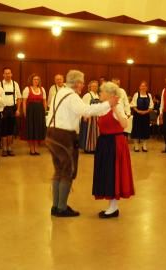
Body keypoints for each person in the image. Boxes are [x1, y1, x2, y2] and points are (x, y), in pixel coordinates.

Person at [46, 70, 118, 218]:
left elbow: (76, 111)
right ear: (77, 83)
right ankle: (61, 208)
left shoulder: (60, 92)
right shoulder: (72, 96)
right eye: (82, 82)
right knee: (68, 171)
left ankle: (56, 206)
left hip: (51, 134)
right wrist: (108, 104)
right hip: (64, 136)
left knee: (59, 170)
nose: (83, 85)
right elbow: (87, 109)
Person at [92, 82, 134, 219]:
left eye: (102, 92)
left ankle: (113, 207)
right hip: (105, 143)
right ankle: (112, 206)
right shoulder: (102, 107)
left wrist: (115, 109)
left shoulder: (118, 107)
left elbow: (125, 124)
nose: (99, 94)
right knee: (107, 174)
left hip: (115, 143)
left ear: (109, 94)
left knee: (113, 174)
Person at [22, 74, 47, 155]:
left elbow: (44, 101)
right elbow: (24, 102)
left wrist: (45, 111)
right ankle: (31, 149)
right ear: (31, 80)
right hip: (30, 111)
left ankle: (36, 148)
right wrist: (25, 112)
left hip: (40, 111)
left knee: (38, 129)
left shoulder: (42, 89)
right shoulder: (27, 89)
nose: (36, 81)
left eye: (37, 79)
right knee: (31, 129)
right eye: (34, 79)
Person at [0, 67, 21, 157]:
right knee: (3, 130)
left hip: (13, 109)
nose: (8, 75)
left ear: (11, 74)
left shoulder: (15, 84)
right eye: (6, 73)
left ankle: (9, 148)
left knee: (11, 130)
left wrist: (18, 109)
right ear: (3, 74)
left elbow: (19, 97)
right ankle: (4, 148)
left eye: (9, 73)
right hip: (3, 109)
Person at [130, 81, 154, 152]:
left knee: (145, 130)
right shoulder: (136, 94)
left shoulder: (149, 95)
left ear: (146, 88)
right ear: (139, 87)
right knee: (136, 130)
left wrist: (146, 111)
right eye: (141, 86)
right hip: (137, 115)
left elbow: (151, 106)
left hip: (146, 115)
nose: (143, 87)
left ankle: (144, 146)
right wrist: (138, 111)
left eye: (144, 86)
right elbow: (133, 105)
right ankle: (136, 146)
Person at [79, 80, 100, 153]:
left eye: (96, 86)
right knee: (88, 133)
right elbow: (84, 106)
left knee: (95, 134)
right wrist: (85, 116)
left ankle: (94, 147)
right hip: (89, 116)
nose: (95, 88)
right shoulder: (87, 95)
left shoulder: (97, 95)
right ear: (90, 87)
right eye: (93, 86)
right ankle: (87, 148)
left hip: (96, 117)